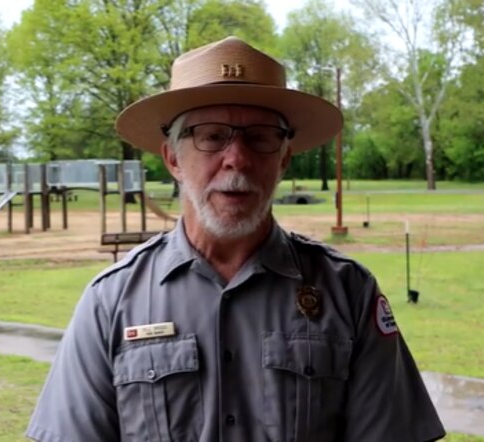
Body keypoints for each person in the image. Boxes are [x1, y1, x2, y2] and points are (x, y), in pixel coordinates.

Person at [26, 36, 445, 442]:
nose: (238, 159)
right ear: (173, 158)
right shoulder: (111, 302)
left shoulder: (348, 292)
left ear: (283, 158)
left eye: (260, 137)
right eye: (211, 136)